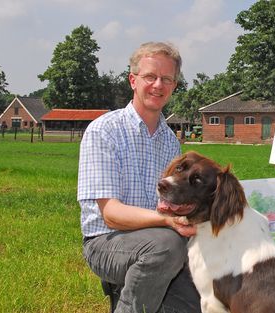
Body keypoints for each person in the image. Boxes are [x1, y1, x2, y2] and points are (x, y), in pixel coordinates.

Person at [77, 42, 201, 313]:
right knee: (166, 247)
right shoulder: (104, 131)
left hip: (159, 239)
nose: (158, 85)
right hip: (106, 241)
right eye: (150, 76)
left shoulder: (170, 143)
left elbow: (170, 204)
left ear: (174, 86)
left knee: (199, 287)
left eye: (167, 79)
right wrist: (169, 221)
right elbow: (111, 214)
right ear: (133, 80)